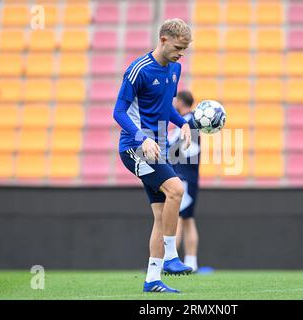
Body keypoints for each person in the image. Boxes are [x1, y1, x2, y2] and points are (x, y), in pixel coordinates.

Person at [113, 19, 193, 293]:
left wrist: (182, 122)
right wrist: (143, 138)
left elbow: (164, 108)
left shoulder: (175, 68)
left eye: (185, 49)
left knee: (161, 216)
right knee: (176, 189)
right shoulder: (138, 70)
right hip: (134, 148)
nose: (181, 53)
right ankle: (171, 256)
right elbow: (119, 113)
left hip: (156, 148)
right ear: (163, 39)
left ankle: (152, 280)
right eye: (178, 47)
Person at [168, 91, 200, 273]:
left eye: (176, 102)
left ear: (180, 102)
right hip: (188, 177)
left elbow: (181, 152)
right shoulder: (187, 123)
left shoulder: (189, 123)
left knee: (177, 218)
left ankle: (170, 260)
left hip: (184, 177)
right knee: (187, 219)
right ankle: (191, 262)